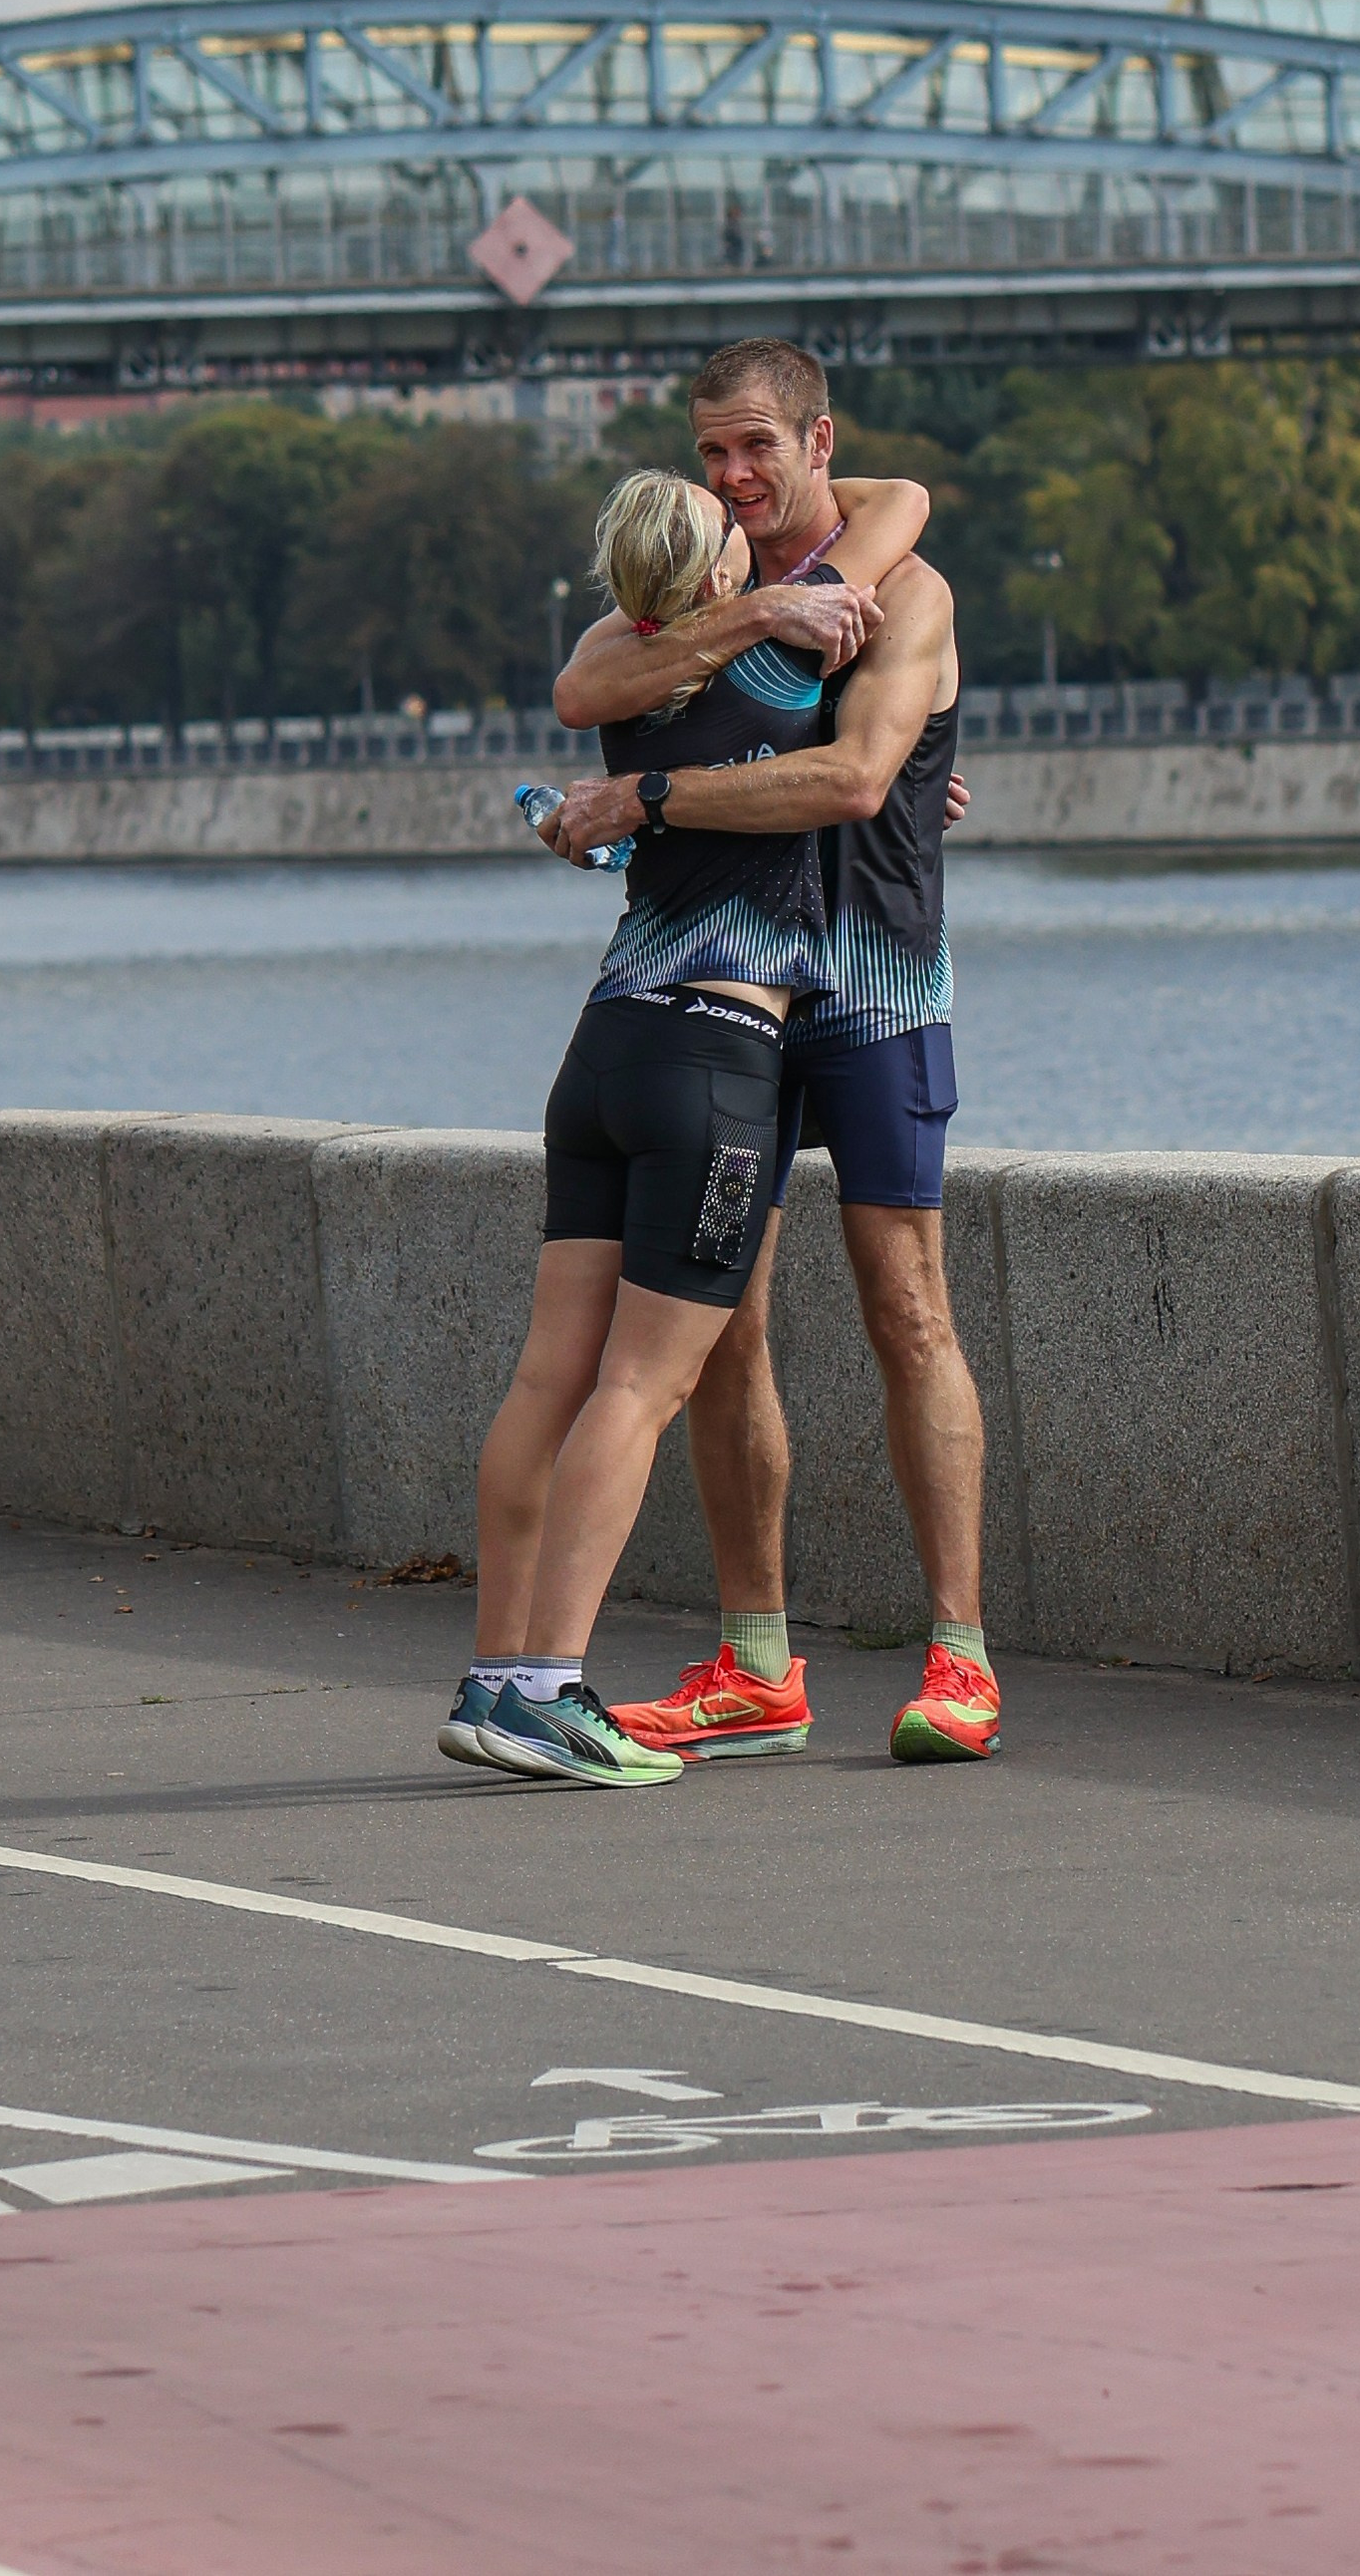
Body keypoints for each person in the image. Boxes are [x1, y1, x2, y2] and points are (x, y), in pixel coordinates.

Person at [547, 337, 998, 1767]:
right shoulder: (710, 593)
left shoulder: (904, 591)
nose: (732, 479)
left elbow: (854, 778)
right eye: (710, 455)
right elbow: (586, 674)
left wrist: (646, 793)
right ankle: (753, 1663)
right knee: (717, 1319)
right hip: (733, 996)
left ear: (818, 444)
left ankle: (958, 1656)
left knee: (903, 1304)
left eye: (757, 448)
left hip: (870, 982)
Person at [447, 453, 928, 1785]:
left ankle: (491, 1675)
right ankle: (550, 1686)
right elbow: (894, 529)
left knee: (548, 1373)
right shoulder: (777, 673)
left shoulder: (625, 667)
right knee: (640, 1384)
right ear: (724, 570)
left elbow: (603, 673)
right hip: (713, 1059)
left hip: (601, 1048)